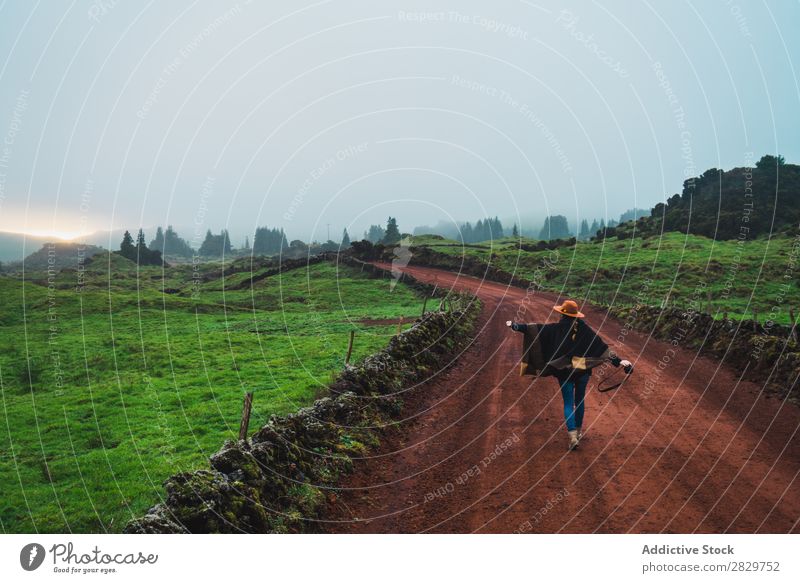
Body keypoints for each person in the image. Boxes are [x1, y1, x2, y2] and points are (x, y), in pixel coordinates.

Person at [506, 299, 632, 451]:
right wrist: (619, 362)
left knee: (568, 403)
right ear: (576, 315)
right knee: (579, 401)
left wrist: (515, 326)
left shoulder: (555, 328)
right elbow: (601, 346)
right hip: (582, 371)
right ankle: (578, 432)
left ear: (562, 314)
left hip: (564, 372)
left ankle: (572, 436)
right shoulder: (585, 330)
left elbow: (535, 329)